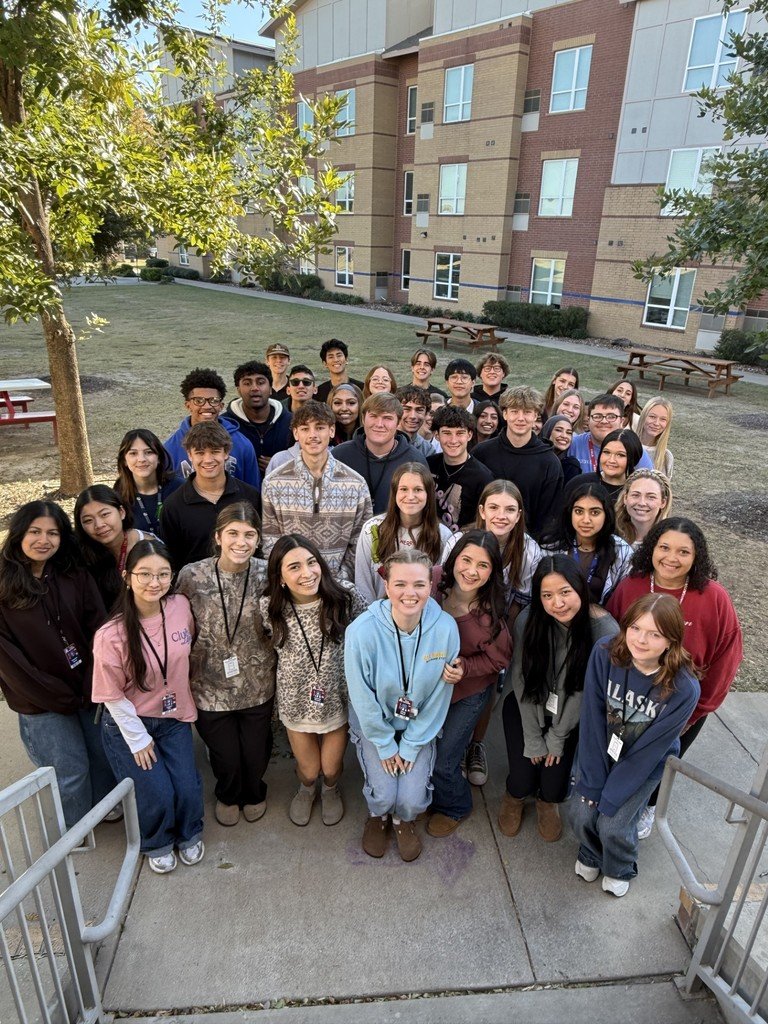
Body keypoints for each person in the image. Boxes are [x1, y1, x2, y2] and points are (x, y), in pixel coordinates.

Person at [607, 518, 743, 837]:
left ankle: (649, 806)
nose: (672, 557)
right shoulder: (632, 586)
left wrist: (697, 712)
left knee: (661, 761)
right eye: (664, 547)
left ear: (697, 557)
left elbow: (726, 657)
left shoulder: (713, 597)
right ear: (652, 548)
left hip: (683, 707)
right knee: (622, 754)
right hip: (628, 697)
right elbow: (610, 637)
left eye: (684, 551)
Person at [563, 594, 700, 897]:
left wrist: (609, 796)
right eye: (635, 628)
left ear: (671, 641)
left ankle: (620, 866)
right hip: (601, 748)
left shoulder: (684, 688)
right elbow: (592, 720)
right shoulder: (605, 653)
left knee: (613, 823)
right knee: (582, 811)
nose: (641, 640)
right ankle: (590, 853)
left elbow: (650, 751)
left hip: (643, 762)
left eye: (655, 634)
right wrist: (595, 784)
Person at [0, 501, 115, 829]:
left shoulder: (73, 574)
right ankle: (73, 830)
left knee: (100, 755)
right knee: (70, 769)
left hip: (87, 687)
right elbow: (9, 661)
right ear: (19, 534)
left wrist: (94, 678)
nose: (43, 540)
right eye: (35, 532)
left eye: (53, 533)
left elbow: (100, 628)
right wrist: (56, 695)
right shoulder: (4, 585)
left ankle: (103, 807)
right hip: (41, 701)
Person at [92, 539, 203, 875]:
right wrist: (138, 739)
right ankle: (155, 841)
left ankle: (189, 833)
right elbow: (112, 696)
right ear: (127, 577)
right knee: (156, 791)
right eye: (144, 574)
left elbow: (188, 649)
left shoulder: (181, 606)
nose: (155, 582)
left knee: (187, 786)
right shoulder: (110, 635)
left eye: (163, 574)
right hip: (132, 722)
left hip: (174, 719)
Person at [345, 548, 460, 862]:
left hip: (418, 723)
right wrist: (384, 744)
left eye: (419, 585)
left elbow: (439, 695)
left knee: (409, 799)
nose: (410, 593)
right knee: (383, 795)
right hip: (376, 722)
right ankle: (378, 816)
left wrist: (409, 746)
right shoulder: (360, 632)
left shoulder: (446, 628)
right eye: (400, 584)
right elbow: (361, 696)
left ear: (431, 586)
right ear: (386, 586)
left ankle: (402, 820)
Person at [500, 556, 618, 841]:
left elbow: (586, 691)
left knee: (554, 786)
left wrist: (557, 736)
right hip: (526, 706)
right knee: (522, 778)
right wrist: (533, 737)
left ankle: (546, 803)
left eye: (565, 592)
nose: (558, 603)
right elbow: (520, 679)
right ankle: (513, 798)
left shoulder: (604, 632)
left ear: (579, 588)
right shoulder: (528, 621)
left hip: (572, 715)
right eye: (547, 595)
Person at [176, 503, 276, 827]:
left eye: (249, 535)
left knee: (255, 752)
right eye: (232, 533)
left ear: (258, 539)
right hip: (208, 685)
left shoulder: (267, 573)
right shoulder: (192, 575)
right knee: (225, 756)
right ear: (218, 536)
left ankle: (255, 790)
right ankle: (228, 794)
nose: (241, 542)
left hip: (257, 682)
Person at [441, 480, 543, 785]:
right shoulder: (459, 540)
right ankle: (451, 743)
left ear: (519, 514)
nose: (501, 515)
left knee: (486, 687)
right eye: (494, 507)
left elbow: (521, 601)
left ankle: (476, 745)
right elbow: (444, 580)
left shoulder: (528, 549)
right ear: (482, 510)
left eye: (510, 509)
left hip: (496, 627)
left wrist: (498, 636)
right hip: (455, 621)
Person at [261, 535, 366, 827]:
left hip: (336, 695)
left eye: (311, 562)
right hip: (296, 700)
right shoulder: (270, 606)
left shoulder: (345, 595)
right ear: (280, 577)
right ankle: (307, 789)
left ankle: (330, 790)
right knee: (309, 770)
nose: (307, 574)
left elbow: (370, 629)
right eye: (294, 567)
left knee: (331, 768)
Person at [428, 531, 512, 836]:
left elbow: (500, 660)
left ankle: (456, 806)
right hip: (428, 688)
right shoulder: (434, 581)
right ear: (453, 559)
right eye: (466, 560)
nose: (472, 571)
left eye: (483, 565)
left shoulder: (488, 615)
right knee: (424, 750)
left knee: (444, 760)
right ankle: (428, 796)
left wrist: (467, 667)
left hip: (468, 692)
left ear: (492, 573)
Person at [261, 401, 372, 580]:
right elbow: (270, 541)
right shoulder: (274, 482)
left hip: (338, 587)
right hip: (293, 586)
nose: (313, 435)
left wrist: (339, 578)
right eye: (305, 429)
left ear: (332, 431)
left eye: (319, 427)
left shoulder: (356, 484)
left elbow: (360, 541)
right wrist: (291, 578)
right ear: (296, 433)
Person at [161, 421, 262, 571]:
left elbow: (259, 547)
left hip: (246, 584)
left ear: (226, 452)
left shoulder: (250, 496)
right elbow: (172, 560)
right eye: (200, 453)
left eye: (214, 451)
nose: (208, 460)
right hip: (194, 588)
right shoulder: (173, 506)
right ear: (189, 455)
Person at [473, 386, 563, 539]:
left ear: (535, 416)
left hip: (527, 544)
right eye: (515, 411)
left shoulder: (549, 462)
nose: (521, 418)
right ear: (505, 414)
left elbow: (549, 516)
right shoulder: (481, 452)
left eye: (527, 412)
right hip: (482, 537)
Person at [355, 463, 451, 603]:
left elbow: (439, 588)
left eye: (418, 489)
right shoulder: (372, 529)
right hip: (377, 616)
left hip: (422, 617)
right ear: (395, 493)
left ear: (428, 494)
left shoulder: (442, 535)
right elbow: (363, 583)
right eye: (404, 489)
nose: (410, 496)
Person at [333, 393, 429, 514]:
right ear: (363, 418)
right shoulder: (339, 455)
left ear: (398, 422)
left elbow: (424, 509)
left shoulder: (415, 459)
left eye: (387, 418)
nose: (379, 424)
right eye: (373, 416)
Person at [164, 367, 261, 487]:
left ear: (221, 406)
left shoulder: (242, 445)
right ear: (188, 405)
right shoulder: (170, 449)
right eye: (198, 400)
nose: (207, 406)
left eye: (214, 400)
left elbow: (253, 489)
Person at [542, 482, 632, 605]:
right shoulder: (551, 546)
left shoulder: (622, 550)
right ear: (570, 513)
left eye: (595, 512)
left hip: (600, 618)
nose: (586, 520)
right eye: (579, 511)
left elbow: (622, 600)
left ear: (607, 515)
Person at [75, 484, 156, 608]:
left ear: (121, 512)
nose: (99, 525)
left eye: (105, 514)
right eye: (88, 520)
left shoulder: (149, 546)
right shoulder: (81, 552)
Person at [428, 405, 493, 532]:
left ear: (469, 435)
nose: (453, 440)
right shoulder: (428, 465)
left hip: (463, 543)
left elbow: (485, 520)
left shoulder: (483, 477)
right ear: (437, 435)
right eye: (447, 433)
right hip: (428, 539)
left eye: (460, 433)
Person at [222, 361, 294, 475]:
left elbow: (309, 458)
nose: (254, 388)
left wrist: (282, 465)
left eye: (260, 382)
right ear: (238, 390)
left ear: (270, 388)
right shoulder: (224, 424)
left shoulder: (292, 422)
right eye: (247, 383)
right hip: (240, 490)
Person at [114, 429, 183, 539]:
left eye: (149, 452)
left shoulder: (179, 488)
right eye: (133, 453)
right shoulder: (118, 494)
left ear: (159, 457)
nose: (141, 459)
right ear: (124, 461)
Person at [569, 394, 652, 475]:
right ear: (589, 420)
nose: (604, 421)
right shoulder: (573, 444)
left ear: (621, 421)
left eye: (611, 416)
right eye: (597, 416)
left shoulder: (634, 449)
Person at [567, 427, 644, 502]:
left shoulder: (639, 491)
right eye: (606, 452)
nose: (611, 460)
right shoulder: (579, 483)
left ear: (633, 458)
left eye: (620, 455)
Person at [615, 470, 672, 549]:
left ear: (663, 502)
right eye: (635, 495)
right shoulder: (609, 534)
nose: (642, 503)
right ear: (625, 498)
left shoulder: (670, 540)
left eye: (651, 497)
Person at [315, 339, 363, 404]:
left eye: (339, 355)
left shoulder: (362, 388)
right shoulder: (319, 393)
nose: (336, 360)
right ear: (325, 364)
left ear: (346, 360)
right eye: (331, 357)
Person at [637, 397, 675, 478]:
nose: (657, 423)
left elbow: (665, 489)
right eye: (652, 417)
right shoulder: (626, 445)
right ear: (643, 416)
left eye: (663, 419)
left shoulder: (666, 457)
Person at [396, 385, 436, 457]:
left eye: (419, 410)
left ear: (426, 413)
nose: (413, 416)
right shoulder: (383, 442)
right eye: (407, 409)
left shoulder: (427, 450)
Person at [541, 415, 581, 484]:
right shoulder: (533, 457)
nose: (564, 436)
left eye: (569, 433)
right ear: (548, 430)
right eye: (558, 430)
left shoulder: (570, 465)